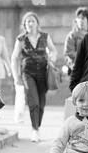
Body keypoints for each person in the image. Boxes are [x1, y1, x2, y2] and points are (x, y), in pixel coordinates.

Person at [11, 11, 58, 142]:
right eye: (28, 21)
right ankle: (35, 130)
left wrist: (52, 60)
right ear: (24, 25)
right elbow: (14, 58)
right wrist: (16, 77)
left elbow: (53, 50)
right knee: (34, 102)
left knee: (42, 104)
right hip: (28, 74)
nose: (30, 23)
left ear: (37, 23)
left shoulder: (45, 36)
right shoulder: (21, 39)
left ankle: (38, 127)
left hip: (44, 73)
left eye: (33, 21)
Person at [64, 7, 88, 74]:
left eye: (83, 18)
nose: (80, 20)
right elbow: (69, 53)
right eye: (79, 18)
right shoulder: (71, 36)